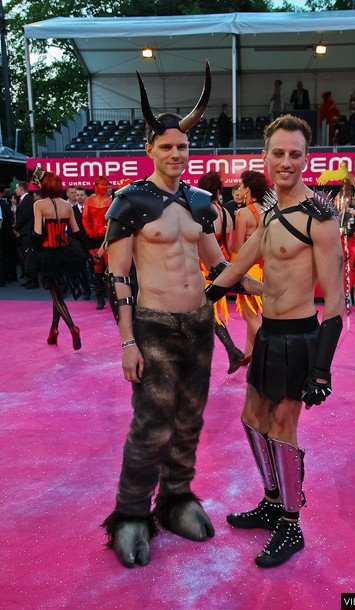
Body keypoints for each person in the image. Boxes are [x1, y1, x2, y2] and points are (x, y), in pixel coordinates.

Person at [101, 62, 260, 568]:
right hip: (152, 326)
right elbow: (117, 277)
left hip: (199, 325)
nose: (176, 153)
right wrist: (127, 342)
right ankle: (131, 514)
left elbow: (218, 267)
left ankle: (175, 499)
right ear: (150, 149)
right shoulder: (129, 201)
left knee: (189, 419)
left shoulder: (199, 201)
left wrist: (270, 286)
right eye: (167, 146)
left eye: (183, 147)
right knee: (152, 425)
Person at [206, 114, 344, 568]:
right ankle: (271, 501)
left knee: (283, 428)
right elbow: (239, 264)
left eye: (295, 154)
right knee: (252, 419)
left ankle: (291, 522)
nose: (286, 162)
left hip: (300, 338)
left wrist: (321, 370)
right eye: (278, 153)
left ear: (306, 158)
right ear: (265, 156)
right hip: (268, 334)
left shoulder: (320, 217)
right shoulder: (267, 210)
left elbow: (336, 302)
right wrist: (207, 297)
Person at [28, 168, 86, 350]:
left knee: (56, 295)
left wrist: (32, 246)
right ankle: (53, 331)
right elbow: (77, 232)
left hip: (48, 254)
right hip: (66, 252)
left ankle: (72, 327)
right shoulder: (67, 205)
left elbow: (37, 233)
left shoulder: (39, 205)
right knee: (57, 295)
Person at [198, 171, 245, 374]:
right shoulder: (226, 213)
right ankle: (233, 351)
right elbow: (232, 245)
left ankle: (232, 350)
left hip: (201, 269)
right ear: (218, 190)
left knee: (206, 313)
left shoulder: (200, 211)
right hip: (220, 270)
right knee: (209, 313)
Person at [233, 170, 269, 360]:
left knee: (249, 315)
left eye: (241, 186)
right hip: (267, 268)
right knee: (256, 313)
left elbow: (239, 249)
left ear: (247, 189)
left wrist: (232, 272)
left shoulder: (243, 213)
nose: (239, 189)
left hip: (250, 270)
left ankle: (270, 349)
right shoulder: (268, 211)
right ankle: (249, 352)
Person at [82, 176, 112, 309]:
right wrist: (89, 231)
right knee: (96, 268)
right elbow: (84, 218)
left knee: (110, 267)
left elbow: (112, 219)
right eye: (103, 185)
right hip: (92, 238)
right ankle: (100, 298)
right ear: (96, 186)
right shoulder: (89, 200)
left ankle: (112, 297)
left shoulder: (110, 201)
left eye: (106, 185)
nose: (105, 187)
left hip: (106, 237)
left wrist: (103, 229)